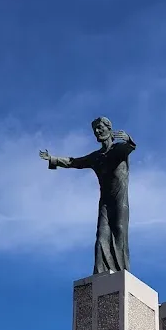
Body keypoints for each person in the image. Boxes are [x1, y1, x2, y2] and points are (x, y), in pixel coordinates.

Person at [40, 116, 136, 274]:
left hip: (120, 201)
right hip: (105, 202)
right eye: (95, 130)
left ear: (109, 128)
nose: (97, 131)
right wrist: (53, 159)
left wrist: (129, 140)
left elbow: (130, 147)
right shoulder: (96, 157)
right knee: (101, 237)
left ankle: (122, 274)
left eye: (100, 127)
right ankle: (101, 274)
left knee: (119, 231)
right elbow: (74, 162)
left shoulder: (118, 150)